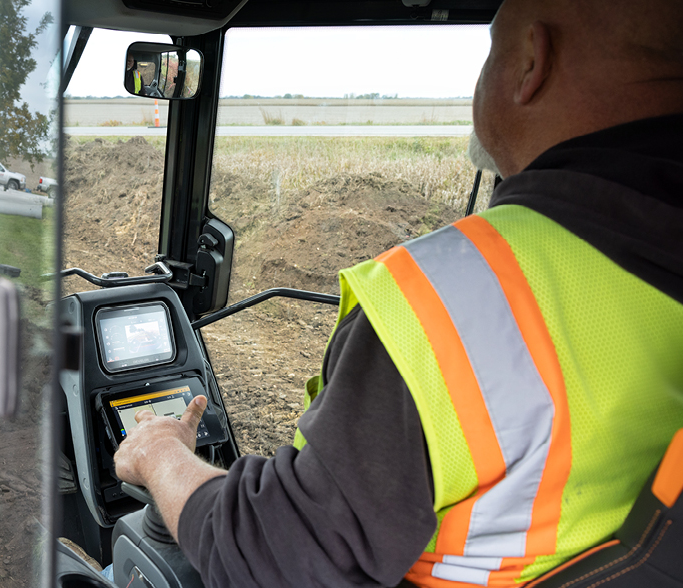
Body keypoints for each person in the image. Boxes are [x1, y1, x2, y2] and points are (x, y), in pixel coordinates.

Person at [113, 0, 683, 586]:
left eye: (491, 49)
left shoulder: (456, 302)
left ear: (532, 61)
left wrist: (160, 453)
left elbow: (280, 559)